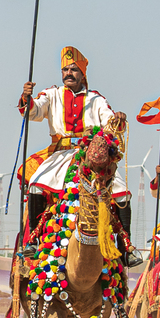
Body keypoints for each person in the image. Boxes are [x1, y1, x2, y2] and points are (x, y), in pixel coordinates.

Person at [16, 46, 135, 262]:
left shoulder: (95, 99)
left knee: (122, 191)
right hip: (61, 154)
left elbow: (109, 122)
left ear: (82, 74)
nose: (68, 73)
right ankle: (33, 240)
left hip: (90, 156)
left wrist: (117, 119)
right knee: (35, 183)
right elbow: (33, 111)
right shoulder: (51, 94)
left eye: (73, 70)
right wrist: (27, 98)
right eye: (65, 70)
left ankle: (125, 247)